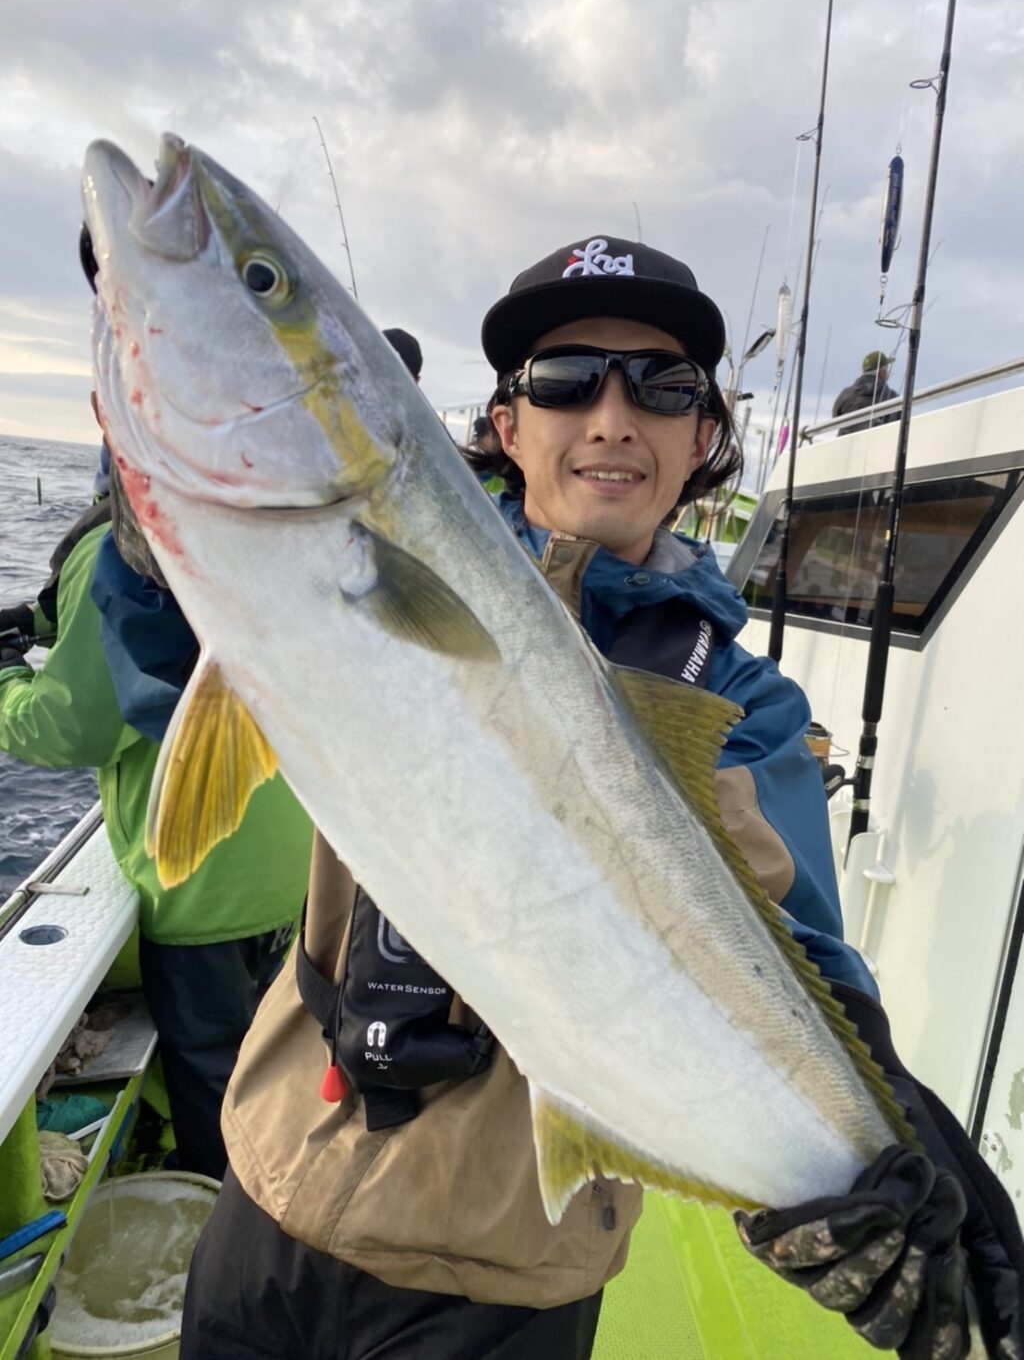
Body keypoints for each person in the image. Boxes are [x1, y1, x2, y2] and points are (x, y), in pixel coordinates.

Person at [181, 235, 1022, 1358]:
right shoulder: (372, 559)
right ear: (506, 424)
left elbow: (806, 961)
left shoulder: (743, 701)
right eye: (567, 380)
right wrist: (157, 526)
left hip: (505, 1276)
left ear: (703, 436)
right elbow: (175, 652)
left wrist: (892, 1157)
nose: (613, 419)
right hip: (274, 1179)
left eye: (663, 386)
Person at [0, 228, 314, 1181]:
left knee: (216, 1086)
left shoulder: (112, 552)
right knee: (285, 1073)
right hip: (297, 869)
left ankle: (229, 1211)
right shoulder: (275, 528)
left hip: (199, 887)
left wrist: (8, 678)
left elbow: (72, 725)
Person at [833, 350, 900, 435]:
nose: (888, 373)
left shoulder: (845, 394)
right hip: (879, 441)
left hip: (846, 442)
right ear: (880, 373)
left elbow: (835, 418)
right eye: (886, 369)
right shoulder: (892, 397)